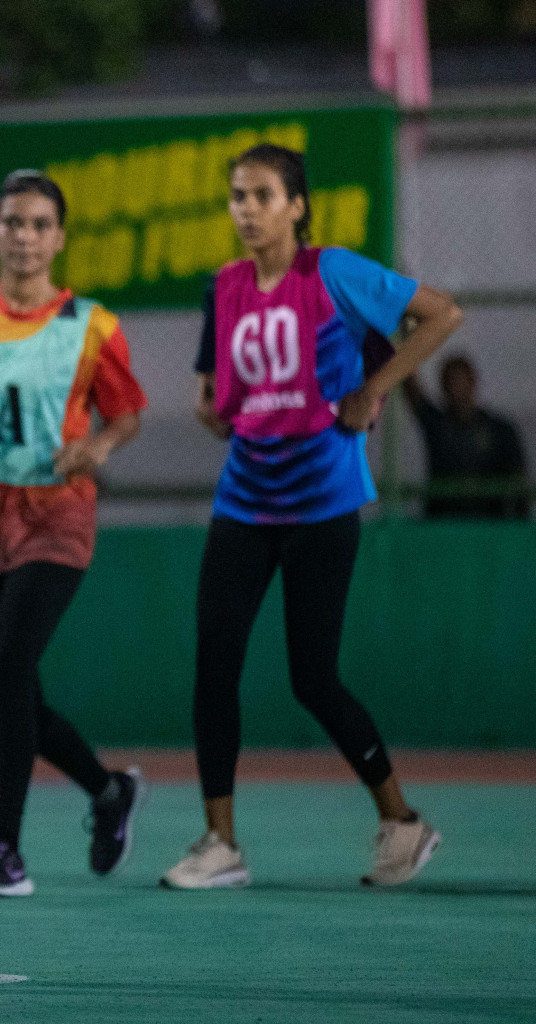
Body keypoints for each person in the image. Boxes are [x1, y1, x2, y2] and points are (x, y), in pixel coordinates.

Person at [164, 144, 464, 890]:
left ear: (296, 205)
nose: (246, 209)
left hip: (322, 500)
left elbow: (441, 315)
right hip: (244, 500)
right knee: (212, 668)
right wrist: (215, 411)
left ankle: (401, 819)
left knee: (313, 677)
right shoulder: (226, 286)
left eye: (262, 195)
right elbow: (214, 396)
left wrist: (372, 391)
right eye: (237, 196)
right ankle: (220, 842)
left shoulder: (334, 272)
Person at [0, 170, 148, 897]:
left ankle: (3, 848)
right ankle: (108, 790)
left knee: (10, 667)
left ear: (59, 237)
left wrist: (100, 449)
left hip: (57, 510)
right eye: (12, 222)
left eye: (39, 224)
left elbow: (126, 412)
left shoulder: (92, 324)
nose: (25, 236)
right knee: (5, 683)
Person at [403, 355, 529, 519]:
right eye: (450, 383)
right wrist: (405, 343)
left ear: (472, 382)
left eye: (460, 382)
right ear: (443, 387)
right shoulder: (436, 425)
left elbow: (519, 484)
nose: (455, 389)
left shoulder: (500, 430)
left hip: (489, 528)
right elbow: (410, 386)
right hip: (441, 526)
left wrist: (517, 532)